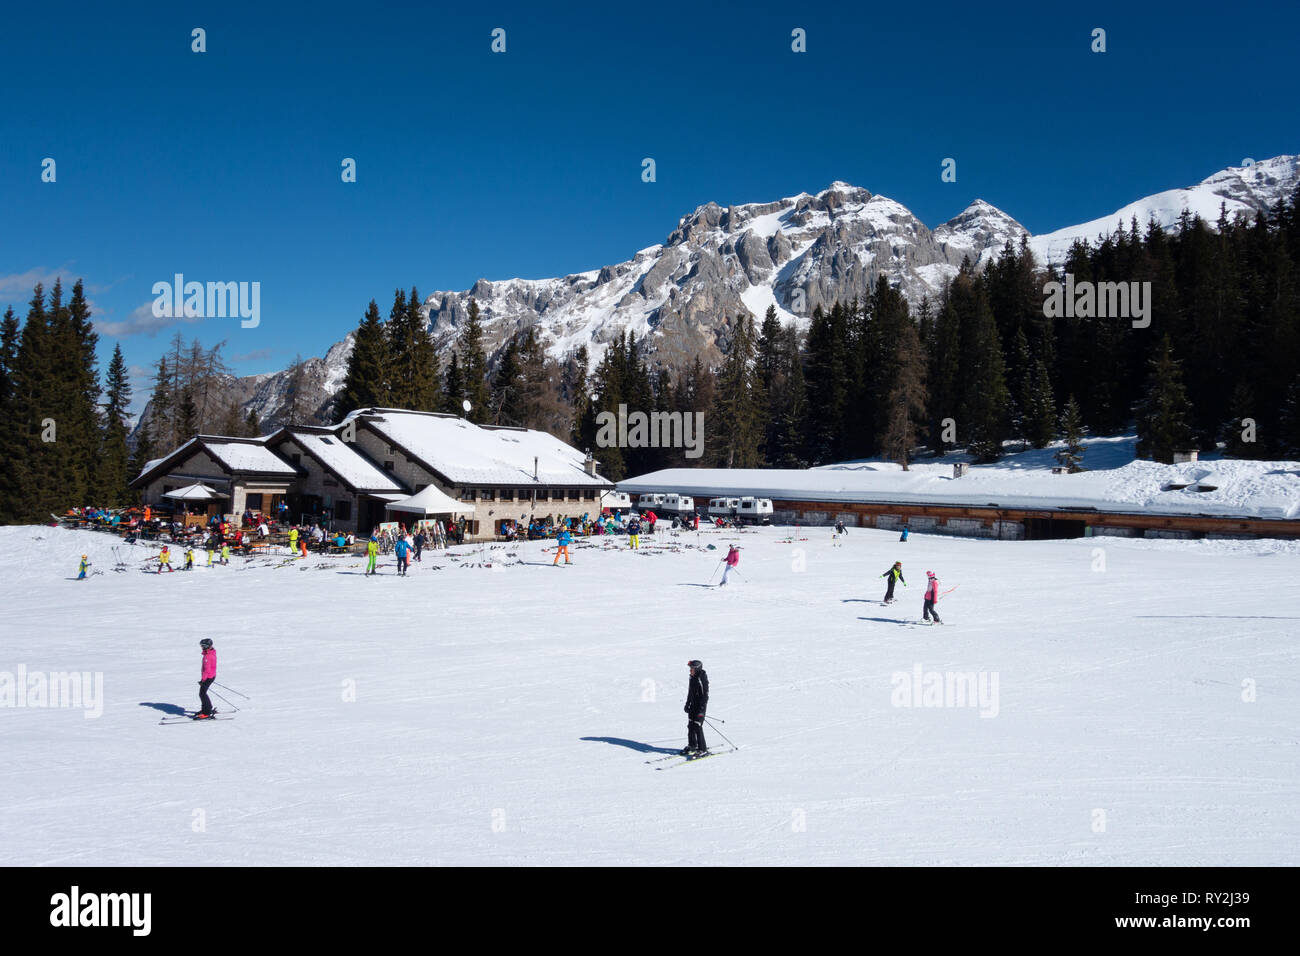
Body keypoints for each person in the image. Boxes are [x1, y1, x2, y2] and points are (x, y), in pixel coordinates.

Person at [682, 660, 709, 755]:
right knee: (690, 725)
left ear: (697, 669)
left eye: (692, 669)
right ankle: (692, 745)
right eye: (690, 669)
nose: (690, 671)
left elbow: (705, 696)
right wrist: (687, 703)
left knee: (697, 726)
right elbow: (690, 692)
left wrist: (701, 710)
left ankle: (702, 749)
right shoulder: (692, 677)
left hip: (700, 706)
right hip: (693, 705)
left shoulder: (701, 678)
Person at [196, 638, 218, 718]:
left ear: (206, 646)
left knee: (202, 694)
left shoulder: (207, 656)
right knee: (203, 693)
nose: (201, 647)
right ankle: (207, 708)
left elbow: (207, 670)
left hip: (208, 677)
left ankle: (206, 712)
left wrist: (203, 680)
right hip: (211, 676)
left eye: (202, 646)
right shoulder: (211, 653)